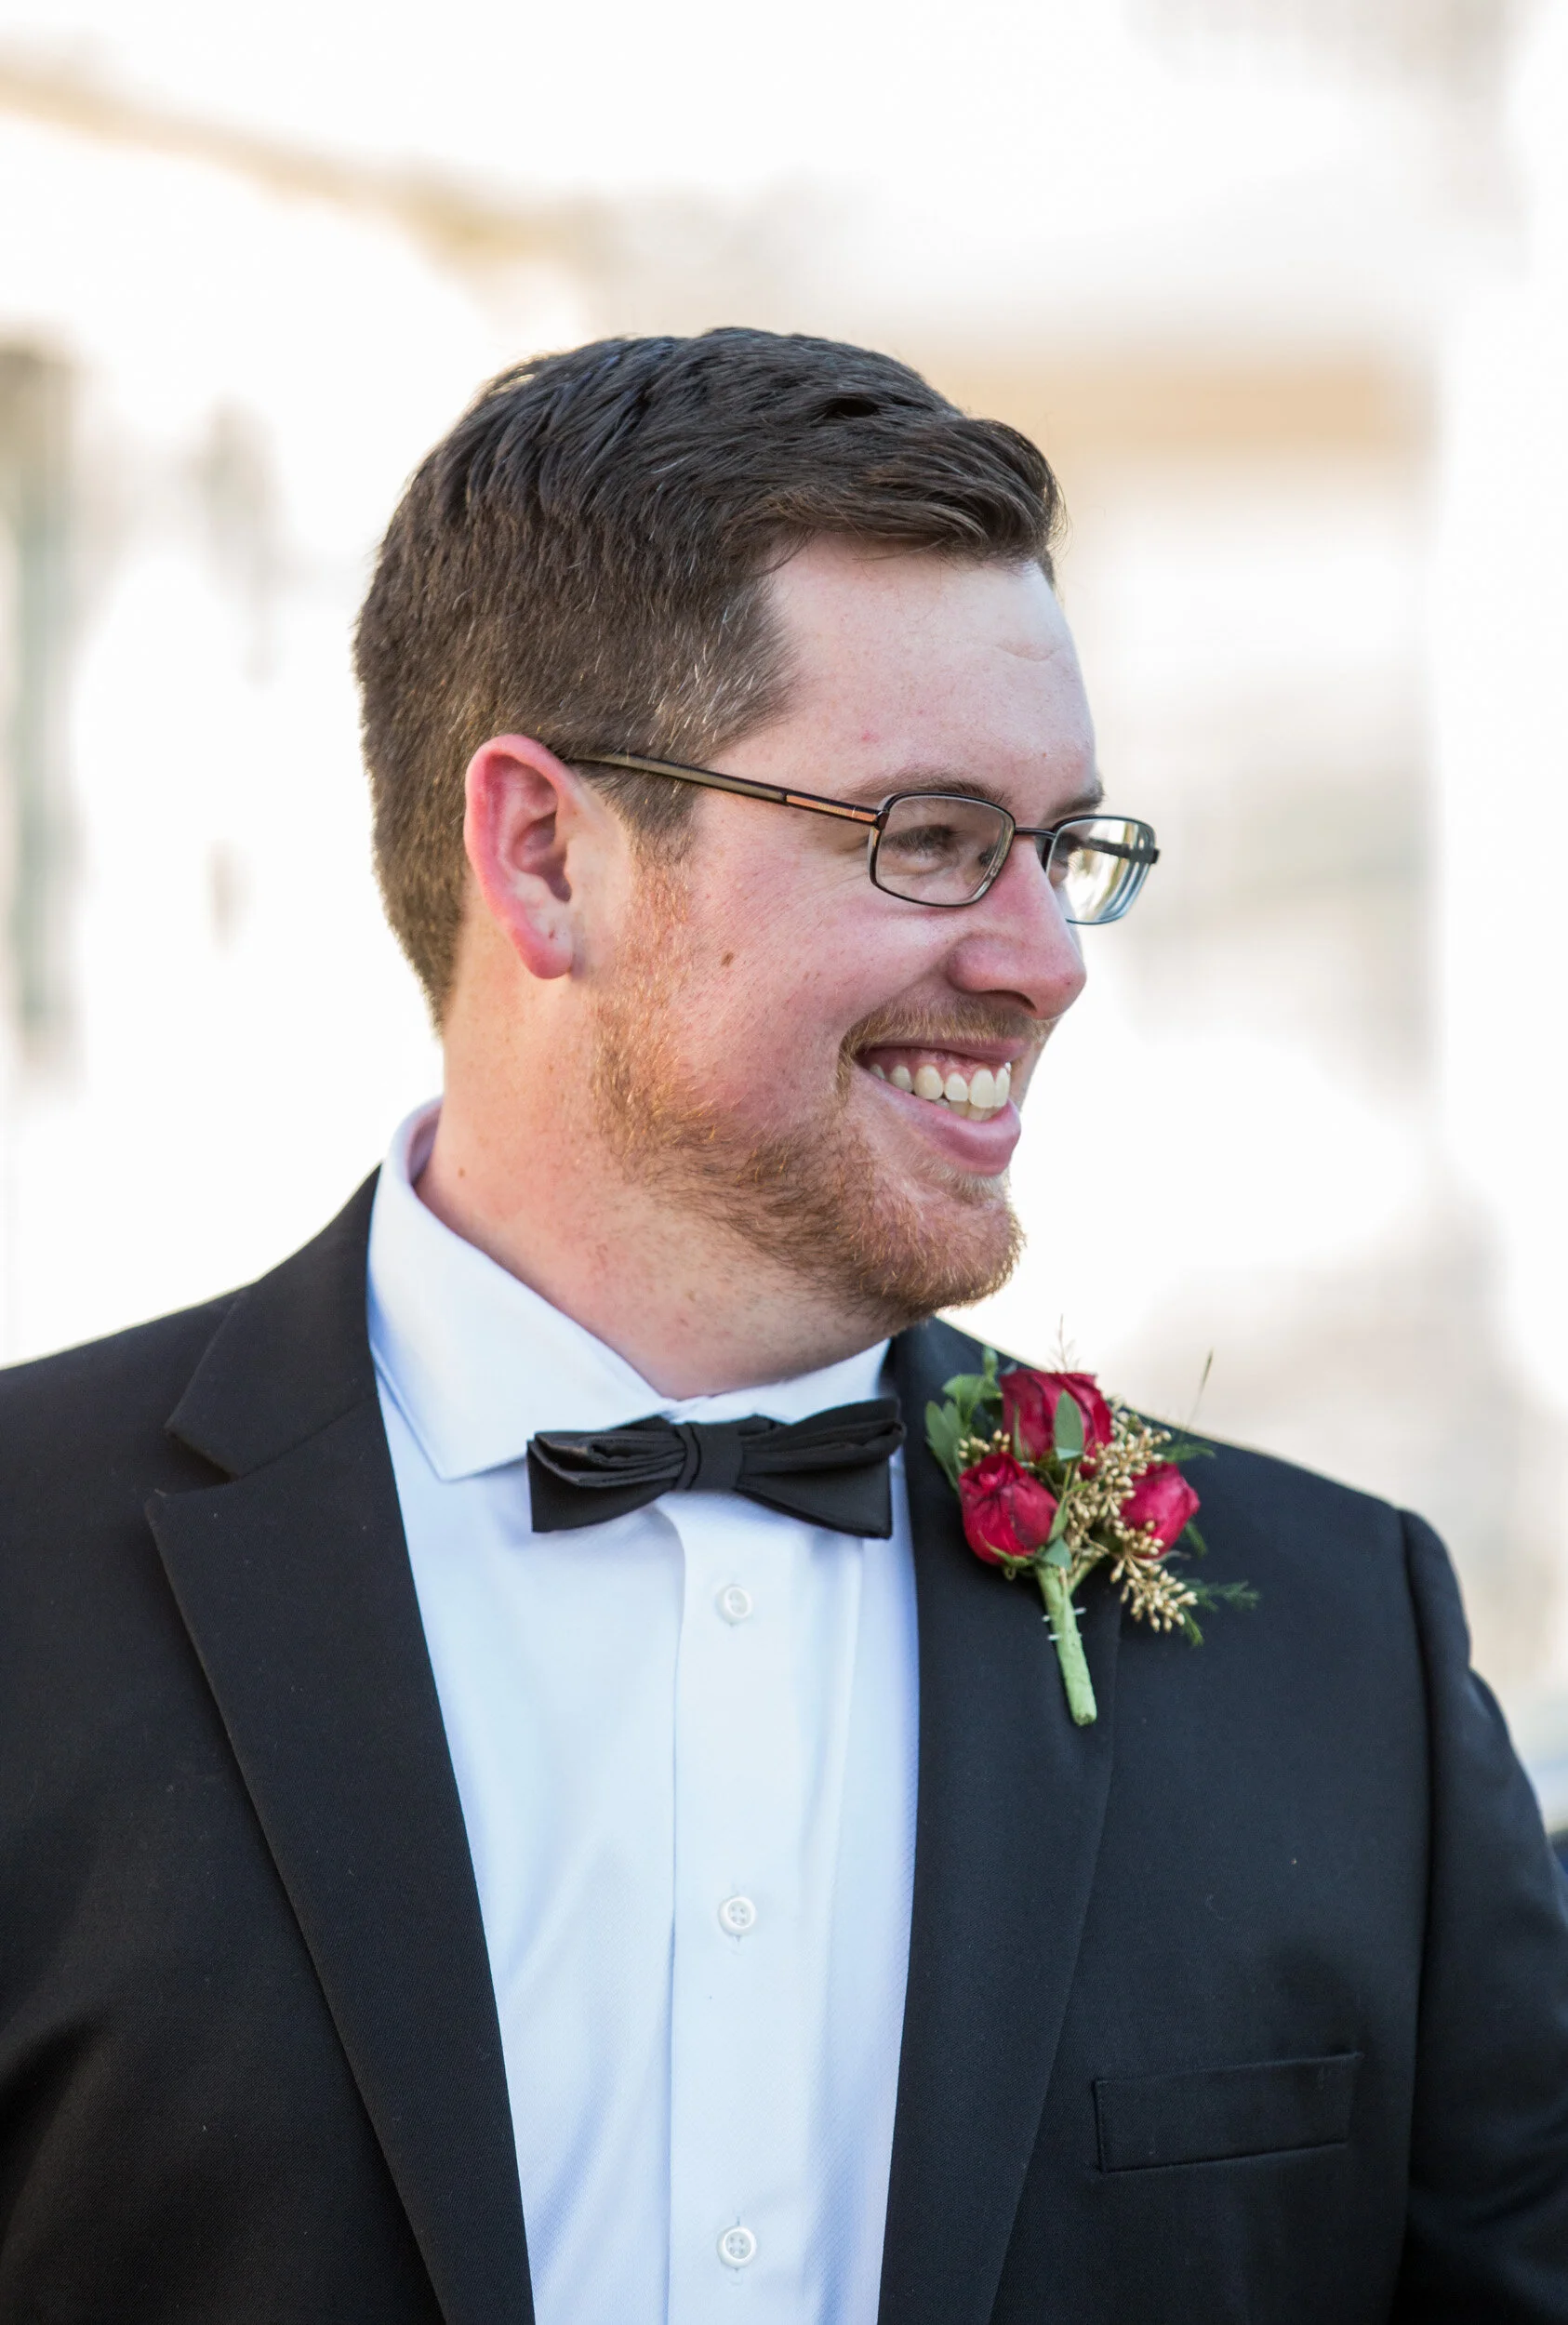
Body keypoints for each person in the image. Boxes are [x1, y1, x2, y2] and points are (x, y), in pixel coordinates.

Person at [1, 329, 1565, 2325]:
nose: (1045, 959)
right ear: (547, 854)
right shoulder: (21, 1583)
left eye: (1062, 842)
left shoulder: (1346, 1653)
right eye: (928, 835)